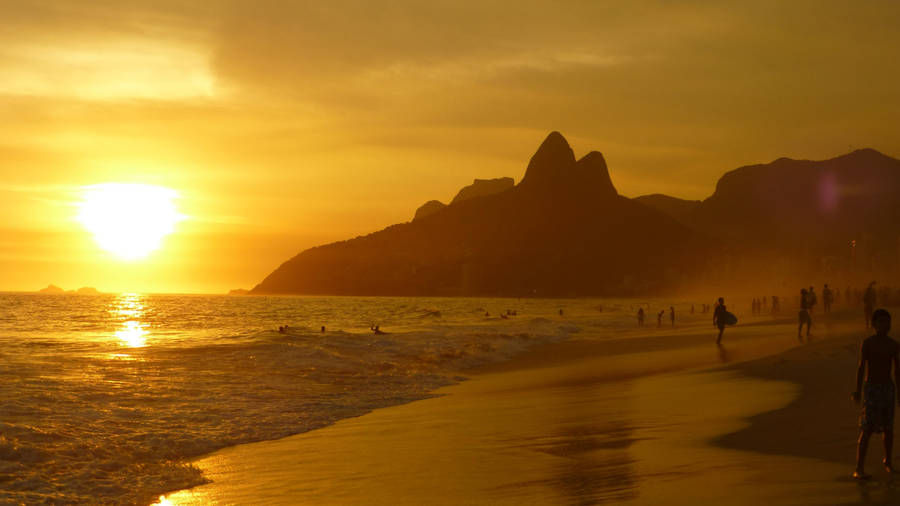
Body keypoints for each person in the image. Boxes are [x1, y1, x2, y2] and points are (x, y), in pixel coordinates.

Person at [852, 309, 899, 479]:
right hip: (871, 388)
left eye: (887, 321)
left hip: (887, 388)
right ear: (874, 324)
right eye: (880, 322)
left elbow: (897, 371)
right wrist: (857, 390)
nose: (884, 325)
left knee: (888, 427)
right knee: (868, 428)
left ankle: (888, 461)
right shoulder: (868, 343)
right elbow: (861, 367)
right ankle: (859, 467)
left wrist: (899, 393)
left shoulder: (893, 345)